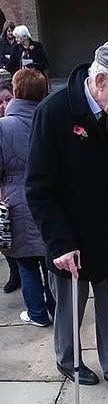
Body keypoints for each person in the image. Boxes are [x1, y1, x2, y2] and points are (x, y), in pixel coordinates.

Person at [25, 41, 108, 401]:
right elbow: (38, 189)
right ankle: (68, 360)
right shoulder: (54, 112)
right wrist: (60, 243)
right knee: (70, 308)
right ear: (99, 80)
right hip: (72, 240)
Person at [0, 68, 55, 325]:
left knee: (26, 264)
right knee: (52, 264)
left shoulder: (3, 127)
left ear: (16, 91)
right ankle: (58, 311)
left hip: (15, 203)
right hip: (49, 201)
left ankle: (36, 313)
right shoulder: (52, 121)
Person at [0, 79, 21, 293]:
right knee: (6, 239)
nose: (4, 105)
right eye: (0, 102)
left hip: (20, 193)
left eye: (8, 99)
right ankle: (14, 273)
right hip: (4, 193)